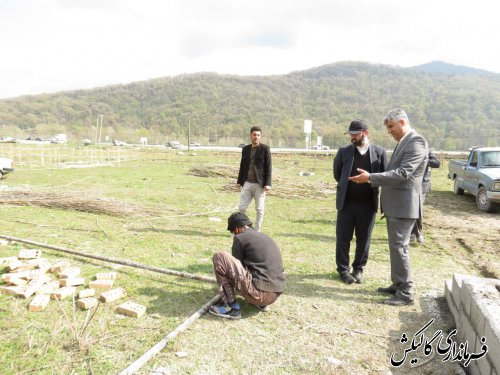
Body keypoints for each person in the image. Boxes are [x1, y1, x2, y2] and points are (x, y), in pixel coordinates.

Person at [349, 109, 428, 306]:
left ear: (402, 122)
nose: (389, 131)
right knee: (396, 247)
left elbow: (403, 173)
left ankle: (406, 292)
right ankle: (398, 284)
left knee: (400, 248)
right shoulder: (404, 143)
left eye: (391, 127)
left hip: (404, 206)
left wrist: (371, 178)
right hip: (397, 206)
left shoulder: (416, 142)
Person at [333, 120, 387, 284]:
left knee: (364, 239)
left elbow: (384, 176)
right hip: (346, 204)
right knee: (343, 238)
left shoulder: (379, 152)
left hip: (368, 205)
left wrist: (368, 181)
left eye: (356, 134)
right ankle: (343, 270)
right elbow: (338, 174)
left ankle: (358, 269)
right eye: (351, 134)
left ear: (366, 133)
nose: (352, 137)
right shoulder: (344, 152)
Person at [209, 212, 285, 319]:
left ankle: (230, 307)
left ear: (237, 229)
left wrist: (226, 286)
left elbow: (236, 269)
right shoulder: (263, 236)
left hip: (259, 294)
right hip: (275, 293)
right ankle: (262, 304)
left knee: (220, 256)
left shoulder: (240, 238)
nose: (234, 234)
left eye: (233, 232)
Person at [237, 126, 272, 231]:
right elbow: (242, 166)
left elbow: (268, 167)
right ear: (250, 136)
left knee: (259, 209)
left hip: (259, 184)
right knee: (242, 208)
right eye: (254, 135)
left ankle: (257, 230)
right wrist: (239, 181)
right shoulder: (246, 149)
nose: (256, 137)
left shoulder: (265, 149)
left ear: (260, 137)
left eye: (258, 135)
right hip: (247, 182)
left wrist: (268, 183)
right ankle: (241, 229)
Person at [410, 151, 440, 244]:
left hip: (422, 185)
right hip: (410, 184)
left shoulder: (426, 151)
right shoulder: (408, 150)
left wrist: (424, 160)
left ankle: (418, 233)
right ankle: (413, 233)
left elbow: (437, 163)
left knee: (418, 208)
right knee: (412, 208)